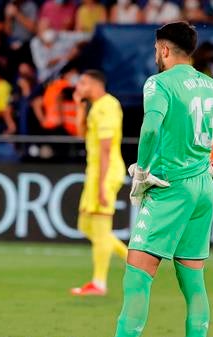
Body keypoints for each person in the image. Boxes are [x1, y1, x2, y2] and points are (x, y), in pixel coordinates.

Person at [65, 21, 213, 337]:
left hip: (169, 188)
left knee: (137, 277)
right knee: (194, 284)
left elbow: (151, 128)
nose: (156, 55)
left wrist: (140, 171)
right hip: (203, 190)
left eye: (157, 49)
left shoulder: (159, 83)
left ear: (164, 49)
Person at [69, 70, 128, 296]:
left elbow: (105, 148)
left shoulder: (108, 106)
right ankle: (133, 260)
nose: (79, 86)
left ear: (95, 85)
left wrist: (102, 184)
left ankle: (99, 283)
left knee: (102, 228)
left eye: (82, 82)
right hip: (94, 172)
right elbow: (80, 134)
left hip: (106, 172)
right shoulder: (94, 107)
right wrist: (79, 106)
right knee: (85, 225)